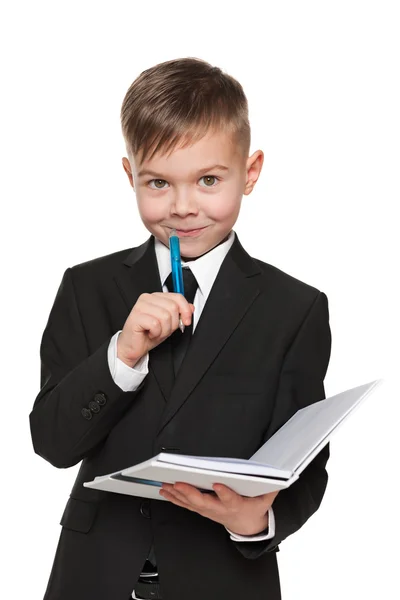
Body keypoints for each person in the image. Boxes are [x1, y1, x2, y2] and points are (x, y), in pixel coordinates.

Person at [29, 57, 331, 600]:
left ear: (251, 172)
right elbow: (52, 442)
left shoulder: (294, 307)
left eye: (209, 180)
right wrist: (121, 355)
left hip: (225, 577)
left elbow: (304, 467)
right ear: (130, 176)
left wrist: (253, 521)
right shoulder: (86, 287)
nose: (184, 207)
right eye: (159, 182)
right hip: (93, 576)